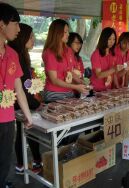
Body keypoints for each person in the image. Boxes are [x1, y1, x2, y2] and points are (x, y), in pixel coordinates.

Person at [0, 3, 32, 188]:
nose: (19, 29)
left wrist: (28, 116)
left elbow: (18, 88)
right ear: (2, 24)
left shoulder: (12, 54)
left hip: (7, 117)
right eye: (16, 23)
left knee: (5, 157)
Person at [8, 23, 42, 175]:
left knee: (24, 133)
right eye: (30, 37)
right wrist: (36, 103)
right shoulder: (16, 56)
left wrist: (34, 84)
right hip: (19, 104)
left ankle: (27, 163)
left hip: (22, 103)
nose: (33, 39)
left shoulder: (21, 55)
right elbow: (20, 88)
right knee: (27, 132)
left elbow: (25, 82)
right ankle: (29, 162)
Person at [42, 19, 87, 103]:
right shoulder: (49, 53)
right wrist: (76, 87)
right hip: (54, 94)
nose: (68, 34)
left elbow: (69, 71)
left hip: (68, 92)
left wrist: (80, 81)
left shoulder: (68, 50)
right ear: (57, 33)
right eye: (65, 32)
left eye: (68, 32)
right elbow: (54, 80)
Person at [90, 27, 117, 92]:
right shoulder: (96, 54)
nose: (112, 42)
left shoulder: (112, 53)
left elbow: (113, 73)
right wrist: (114, 69)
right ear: (104, 39)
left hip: (108, 89)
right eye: (109, 39)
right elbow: (99, 75)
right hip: (97, 90)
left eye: (114, 39)